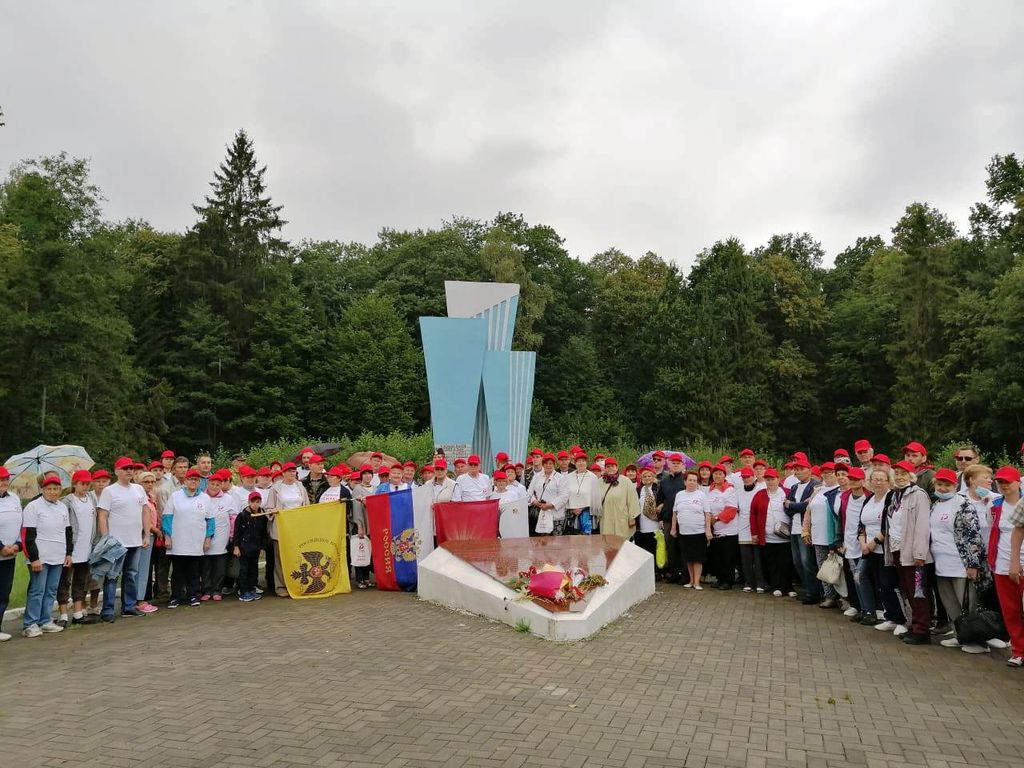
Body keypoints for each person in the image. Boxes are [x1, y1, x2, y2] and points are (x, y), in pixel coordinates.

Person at [96, 456, 150, 621]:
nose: (129, 471)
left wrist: (146, 534)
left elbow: (145, 511)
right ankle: (108, 610)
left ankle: (129, 607)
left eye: (131, 468)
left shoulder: (139, 489)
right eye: (125, 468)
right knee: (112, 576)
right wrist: (106, 539)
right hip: (116, 543)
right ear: (116, 471)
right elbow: (102, 516)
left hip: (135, 541)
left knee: (131, 574)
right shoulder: (109, 491)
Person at [21, 476, 73, 638]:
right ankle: (30, 623)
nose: (52, 492)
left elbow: (67, 532)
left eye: (56, 489)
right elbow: (28, 535)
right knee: (37, 590)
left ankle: (45, 620)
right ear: (43, 490)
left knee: (51, 590)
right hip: (40, 557)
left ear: (60, 490)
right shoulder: (33, 507)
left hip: (58, 556)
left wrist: (68, 553)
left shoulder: (62, 507)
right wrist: (34, 558)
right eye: (49, 489)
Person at [891, 460, 933, 645]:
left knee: (918, 591)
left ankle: (922, 629)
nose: (899, 476)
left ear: (911, 475)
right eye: (897, 473)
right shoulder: (896, 495)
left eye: (903, 473)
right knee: (908, 590)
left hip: (913, 552)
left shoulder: (918, 495)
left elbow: (922, 525)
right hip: (897, 548)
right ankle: (914, 624)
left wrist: (920, 553)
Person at [162, 468, 212, 608]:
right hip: (178, 541)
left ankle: (193, 596)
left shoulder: (205, 498)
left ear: (199, 482)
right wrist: (167, 536)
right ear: (185, 481)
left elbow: (210, 520)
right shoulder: (175, 496)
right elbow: (167, 517)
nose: (193, 482)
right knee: (178, 571)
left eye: (196, 480)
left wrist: (208, 538)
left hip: (196, 542)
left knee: (194, 571)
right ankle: (175, 597)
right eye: (191, 479)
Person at [55, 470, 99, 626]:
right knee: (65, 581)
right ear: (74, 484)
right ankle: (63, 615)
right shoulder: (67, 501)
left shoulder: (91, 499)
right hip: (71, 548)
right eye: (82, 484)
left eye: (88, 484)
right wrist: (67, 548)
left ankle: (78, 613)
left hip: (86, 547)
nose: (85, 487)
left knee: (81, 580)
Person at [990, 466, 1024, 666]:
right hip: (1004, 564)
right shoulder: (995, 506)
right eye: (1000, 482)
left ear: (1018, 483)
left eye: (1007, 482)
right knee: (1011, 610)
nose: (1003, 486)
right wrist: (1012, 562)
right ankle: (1018, 651)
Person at [265, 462, 310, 597]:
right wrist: (273, 511)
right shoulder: (275, 488)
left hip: (298, 527)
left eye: (293, 471)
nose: (292, 474)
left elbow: (306, 505)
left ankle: (298, 582)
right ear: (283, 473)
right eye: (289, 471)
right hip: (281, 527)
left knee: (298, 556)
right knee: (280, 558)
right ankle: (281, 585)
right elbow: (268, 509)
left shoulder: (300, 487)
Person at [803, 462, 842, 608]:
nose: (827, 475)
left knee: (840, 568)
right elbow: (808, 511)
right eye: (824, 472)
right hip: (818, 536)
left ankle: (844, 598)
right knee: (823, 569)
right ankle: (829, 596)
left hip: (835, 537)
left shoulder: (841, 490)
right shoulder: (817, 490)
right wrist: (805, 530)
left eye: (830, 472)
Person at [751, 469, 793, 596]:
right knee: (772, 563)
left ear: (778, 479)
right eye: (767, 479)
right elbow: (753, 514)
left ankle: (788, 587)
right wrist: (754, 533)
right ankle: (776, 586)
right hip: (768, 536)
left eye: (772, 479)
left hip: (785, 536)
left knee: (786, 562)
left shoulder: (787, 492)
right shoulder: (760, 494)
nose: (770, 482)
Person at [784, 459, 820, 604]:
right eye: (796, 470)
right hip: (794, 528)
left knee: (807, 562)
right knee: (797, 562)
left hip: (806, 529)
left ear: (809, 469)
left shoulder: (815, 486)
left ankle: (814, 592)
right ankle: (807, 589)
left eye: (801, 469)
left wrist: (792, 504)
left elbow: (808, 506)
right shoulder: (793, 487)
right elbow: (785, 508)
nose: (798, 472)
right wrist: (795, 505)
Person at [671, 470, 712, 590]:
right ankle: (691, 580)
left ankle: (697, 582)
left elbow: (707, 513)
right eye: (690, 480)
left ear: (697, 482)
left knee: (698, 558)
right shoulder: (679, 495)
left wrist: (708, 530)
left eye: (695, 480)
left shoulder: (701, 495)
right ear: (685, 482)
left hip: (698, 532)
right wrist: (673, 528)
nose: (692, 482)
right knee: (688, 558)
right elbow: (675, 513)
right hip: (684, 532)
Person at [838, 467, 870, 620]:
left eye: (856, 479)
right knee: (855, 577)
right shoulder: (845, 497)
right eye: (851, 479)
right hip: (848, 542)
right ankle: (860, 607)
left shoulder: (869, 497)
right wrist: (840, 539)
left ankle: (870, 609)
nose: (852, 482)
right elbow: (841, 519)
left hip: (865, 543)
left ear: (863, 481)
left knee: (862, 577)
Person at [202, 470, 236, 601]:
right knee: (205, 566)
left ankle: (217, 590)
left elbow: (233, 517)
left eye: (217, 484)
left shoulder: (228, 499)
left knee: (219, 566)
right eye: (212, 484)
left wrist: (232, 534)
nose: (215, 487)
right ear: (208, 484)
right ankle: (206, 589)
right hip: (204, 537)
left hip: (222, 536)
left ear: (221, 485)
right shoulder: (201, 497)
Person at [0, 466, 24, 641]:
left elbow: (20, 524)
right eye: (1, 479)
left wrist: (17, 545)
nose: (4, 482)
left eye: (6, 479)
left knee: (4, 593)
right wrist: (0, 547)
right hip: (1, 550)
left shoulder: (14, 498)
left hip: (10, 555)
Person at [707, 465, 740, 590]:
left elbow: (731, 510)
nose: (717, 476)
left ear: (724, 475)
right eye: (715, 474)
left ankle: (728, 581)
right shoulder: (710, 490)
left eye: (720, 474)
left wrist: (714, 519)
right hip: (716, 531)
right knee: (718, 557)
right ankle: (720, 579)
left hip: (729, 530)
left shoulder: (730, 490)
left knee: (728, 557)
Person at [132, 472, 160, 614]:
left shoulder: (151, 496)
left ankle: (140, 598)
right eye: (146, 482)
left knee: (144, 569)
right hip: (143, 535)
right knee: (140, 569)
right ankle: (139, 600)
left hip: (149, 535)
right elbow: (143, 518)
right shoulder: (137, 498)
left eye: (152, 481)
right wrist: (155, 530)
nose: (149, 484)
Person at [656, 454, 687, 582]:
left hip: (684, 519)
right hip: (668, 519)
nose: (675, 465)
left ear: (682, 465)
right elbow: (659, 501)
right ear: (668, 464)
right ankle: (674, 574)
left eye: (678, 463)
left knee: (683, 547)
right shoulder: (664, 481)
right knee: (671, 547)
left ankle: (685, 575)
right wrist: (660, 519)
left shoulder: (686, 480)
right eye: (673, 463)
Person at [736, 466, 768, 593]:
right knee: (746, 558)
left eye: (748, 477)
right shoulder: (738, 491)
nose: (746, 479)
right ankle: (748, 582)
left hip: (757, 526)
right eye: (743, 477)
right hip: (743, 526)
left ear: (754, 477)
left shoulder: (761, 489)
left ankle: (761, 582)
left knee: (758, 558)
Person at [232, 491, 268, 602]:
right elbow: (236, 532)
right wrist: (236, 547)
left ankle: (252, 588)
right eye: (253, 502)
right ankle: (243, 591)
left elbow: (263, 533)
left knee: (254, 570)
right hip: (244, 547)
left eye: (258, 502)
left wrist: (262, 547)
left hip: (256, 547)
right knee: (244, 570)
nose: (255, 504)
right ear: (249, 502)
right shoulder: (242, 515)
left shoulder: (262, 516)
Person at [594, 458, 639, 539]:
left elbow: (633, 500)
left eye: (612, 466)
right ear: (605, 468)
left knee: (622, 544)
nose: (610, 468)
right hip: (606, 518)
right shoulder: (600, 482)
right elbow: (596, 500)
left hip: (622, 519)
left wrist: (632, 517)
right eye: (608, 466)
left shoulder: (626, 481)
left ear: (617, 467)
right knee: (607, 543)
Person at [527, 454, 566, 536]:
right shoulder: (537, 477)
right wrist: (534, 501)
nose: (548, 465)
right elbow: (529, 492)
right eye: (546, 463)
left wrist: (550, 504)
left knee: (556, 543)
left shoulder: (560, 478)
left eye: (551, 463)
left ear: (554, 465)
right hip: (541, 515)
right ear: (543, 464)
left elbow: (564, 496)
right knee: (542, 543)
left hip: (556, 516)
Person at [565, 452, 599, 535]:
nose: (581, 463)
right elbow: (565, 494)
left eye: (583, 461)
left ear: (586, 463)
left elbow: (595, 496)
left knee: (586, 539)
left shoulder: (592, 477)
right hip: (572, 513)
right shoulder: (568, 477)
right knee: (573, 539)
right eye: (579, 461)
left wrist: (582, 508)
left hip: (587, 512)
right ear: (575, 463)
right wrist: (571, 508)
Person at [634, 467, 660, 559]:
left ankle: (657, 571)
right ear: (641, 478)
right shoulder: (639, 490)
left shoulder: (657, 488)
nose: (647, 478)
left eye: (649, 476)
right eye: (644, 476)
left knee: (656, 548)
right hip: (642, 524)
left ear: (653, 477)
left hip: (655, 523)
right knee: (646, 549)